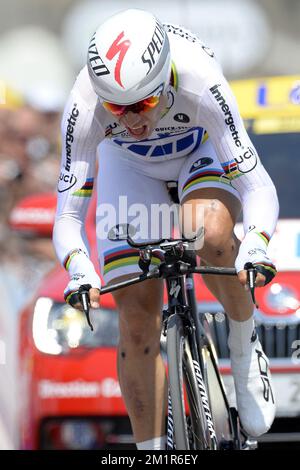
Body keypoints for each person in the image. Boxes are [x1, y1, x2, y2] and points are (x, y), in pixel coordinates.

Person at [53, 9, 278, 450]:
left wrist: (255, 244)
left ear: (165, 79)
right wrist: (80, 271)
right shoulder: (83, 105)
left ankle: (243, 340)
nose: (133, 120)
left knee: (208, 234)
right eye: (117, 108)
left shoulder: (201, 79)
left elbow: (257, 186)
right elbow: (67, 217)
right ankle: (151, 452)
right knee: (135, 318)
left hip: (200, 151)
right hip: (130, 170)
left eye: (144, 104)